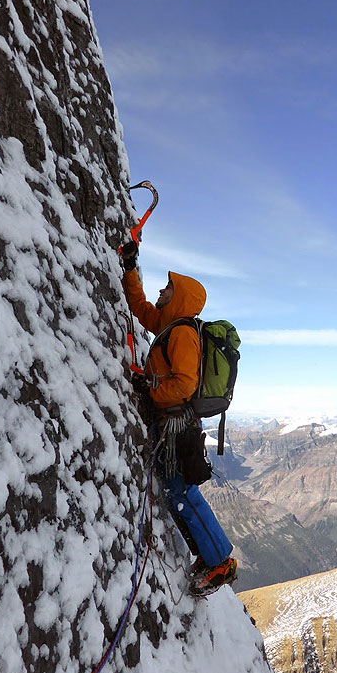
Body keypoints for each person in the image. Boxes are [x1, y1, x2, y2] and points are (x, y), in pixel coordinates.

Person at [119, 239, 237, 597]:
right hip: (173, 420)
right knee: (177, 491)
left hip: (176, 423)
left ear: (180, 297)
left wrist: (149, 387)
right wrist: (129, 269)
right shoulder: (169, 326)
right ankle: (210, 558)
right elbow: (140, 308)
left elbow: (184, 385)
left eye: (168, 287)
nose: (161, 289)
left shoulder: (183, 333)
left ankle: (218, 562)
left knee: (182, 490)